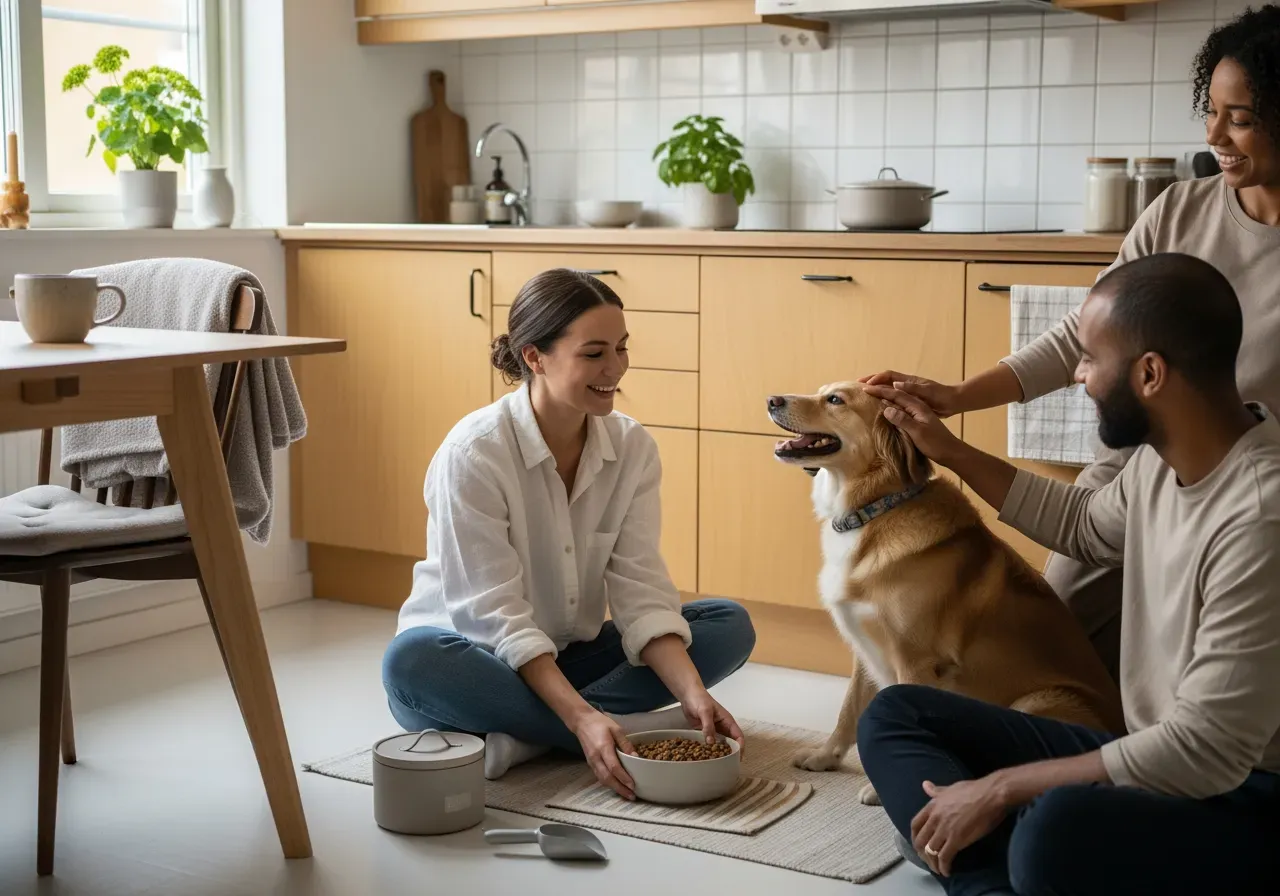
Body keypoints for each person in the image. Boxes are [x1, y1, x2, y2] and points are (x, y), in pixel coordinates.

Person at [861, 4, 1280, 682]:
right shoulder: (1180, 208)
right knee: (1058, 644)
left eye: (1242, 118)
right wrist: (958, 398)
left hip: (1242, 497)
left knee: (1199, 675)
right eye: (1210, 111)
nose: (1216, 135)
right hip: (1134, 471)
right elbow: (1082, 335)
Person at [858, 253, 1280, 896]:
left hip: (1242, 795)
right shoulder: (1162, 461)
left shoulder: (1259, 517)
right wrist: (949, 450)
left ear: (1149, 373)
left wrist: (1000, 788)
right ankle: (989, 861)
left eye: (1088, 358)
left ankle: (984, 857)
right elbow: (1085, 525)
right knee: (894, 716)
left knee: (1050, 828)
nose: (1078, 375)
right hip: (1151, 761)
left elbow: (1205, 753)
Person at [381, 268, 755, 799]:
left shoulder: (632, 448)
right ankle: (600, 729)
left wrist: (693, 696)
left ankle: (528, 735)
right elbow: (494, 614)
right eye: (595, 353)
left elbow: (640, 588)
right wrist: (581, 717)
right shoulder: (474, 452)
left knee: (727, 625)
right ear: (534, 357)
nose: (616, 369)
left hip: (567, 657)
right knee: (409, 663)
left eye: (622, 349)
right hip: (470, 660)